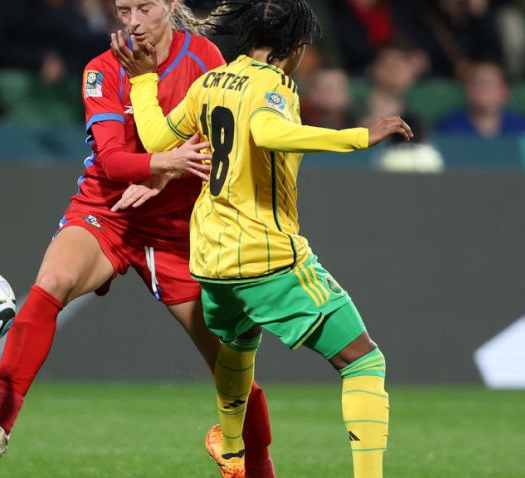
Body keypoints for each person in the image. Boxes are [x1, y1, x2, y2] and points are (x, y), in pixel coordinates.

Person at [0, 1, 278, 476]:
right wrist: (163, 165)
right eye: (124, 9)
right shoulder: (101, 71)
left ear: (169, 4)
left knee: (232, 367)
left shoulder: (203, 57)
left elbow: (221, 146)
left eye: (145, 7)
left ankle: (262, 468)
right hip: (109, 211)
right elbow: (111, 162)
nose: (134, 21)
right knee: (52, 282)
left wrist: (167, 172)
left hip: (179, 235)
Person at [110, 0, 412, 476]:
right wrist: (358, 136)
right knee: (363, 361)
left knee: (238, 342)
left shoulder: (211, 82)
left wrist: (143, 80)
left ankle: (232, 449)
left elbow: (154, 139)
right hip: (265, 255)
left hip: (211, 259)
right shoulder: (275, 85)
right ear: (291, 47)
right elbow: (268, 132)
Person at [436, 61, 525, 137]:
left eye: (488, 83)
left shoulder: (523, 127)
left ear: (505, 91)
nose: (483, 89)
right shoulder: (448, 127)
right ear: (467, 90)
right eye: (476, 83)